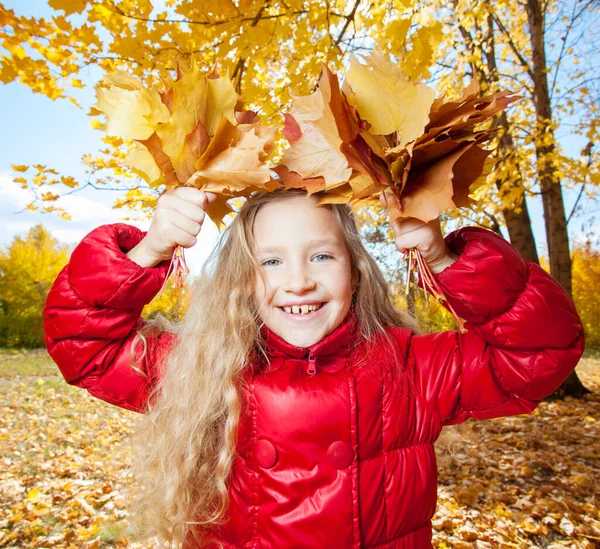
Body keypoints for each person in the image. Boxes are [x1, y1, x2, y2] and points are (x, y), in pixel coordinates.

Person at [43, 187, 585, 549]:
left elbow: (539, 352)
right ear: (242, 280)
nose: (297, 281)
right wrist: (151, 249)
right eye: (271, 261)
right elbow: (85, 346)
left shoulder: (409, 369)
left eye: (321, 256)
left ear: (356, 272)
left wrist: (443, 260)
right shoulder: (201, 367)